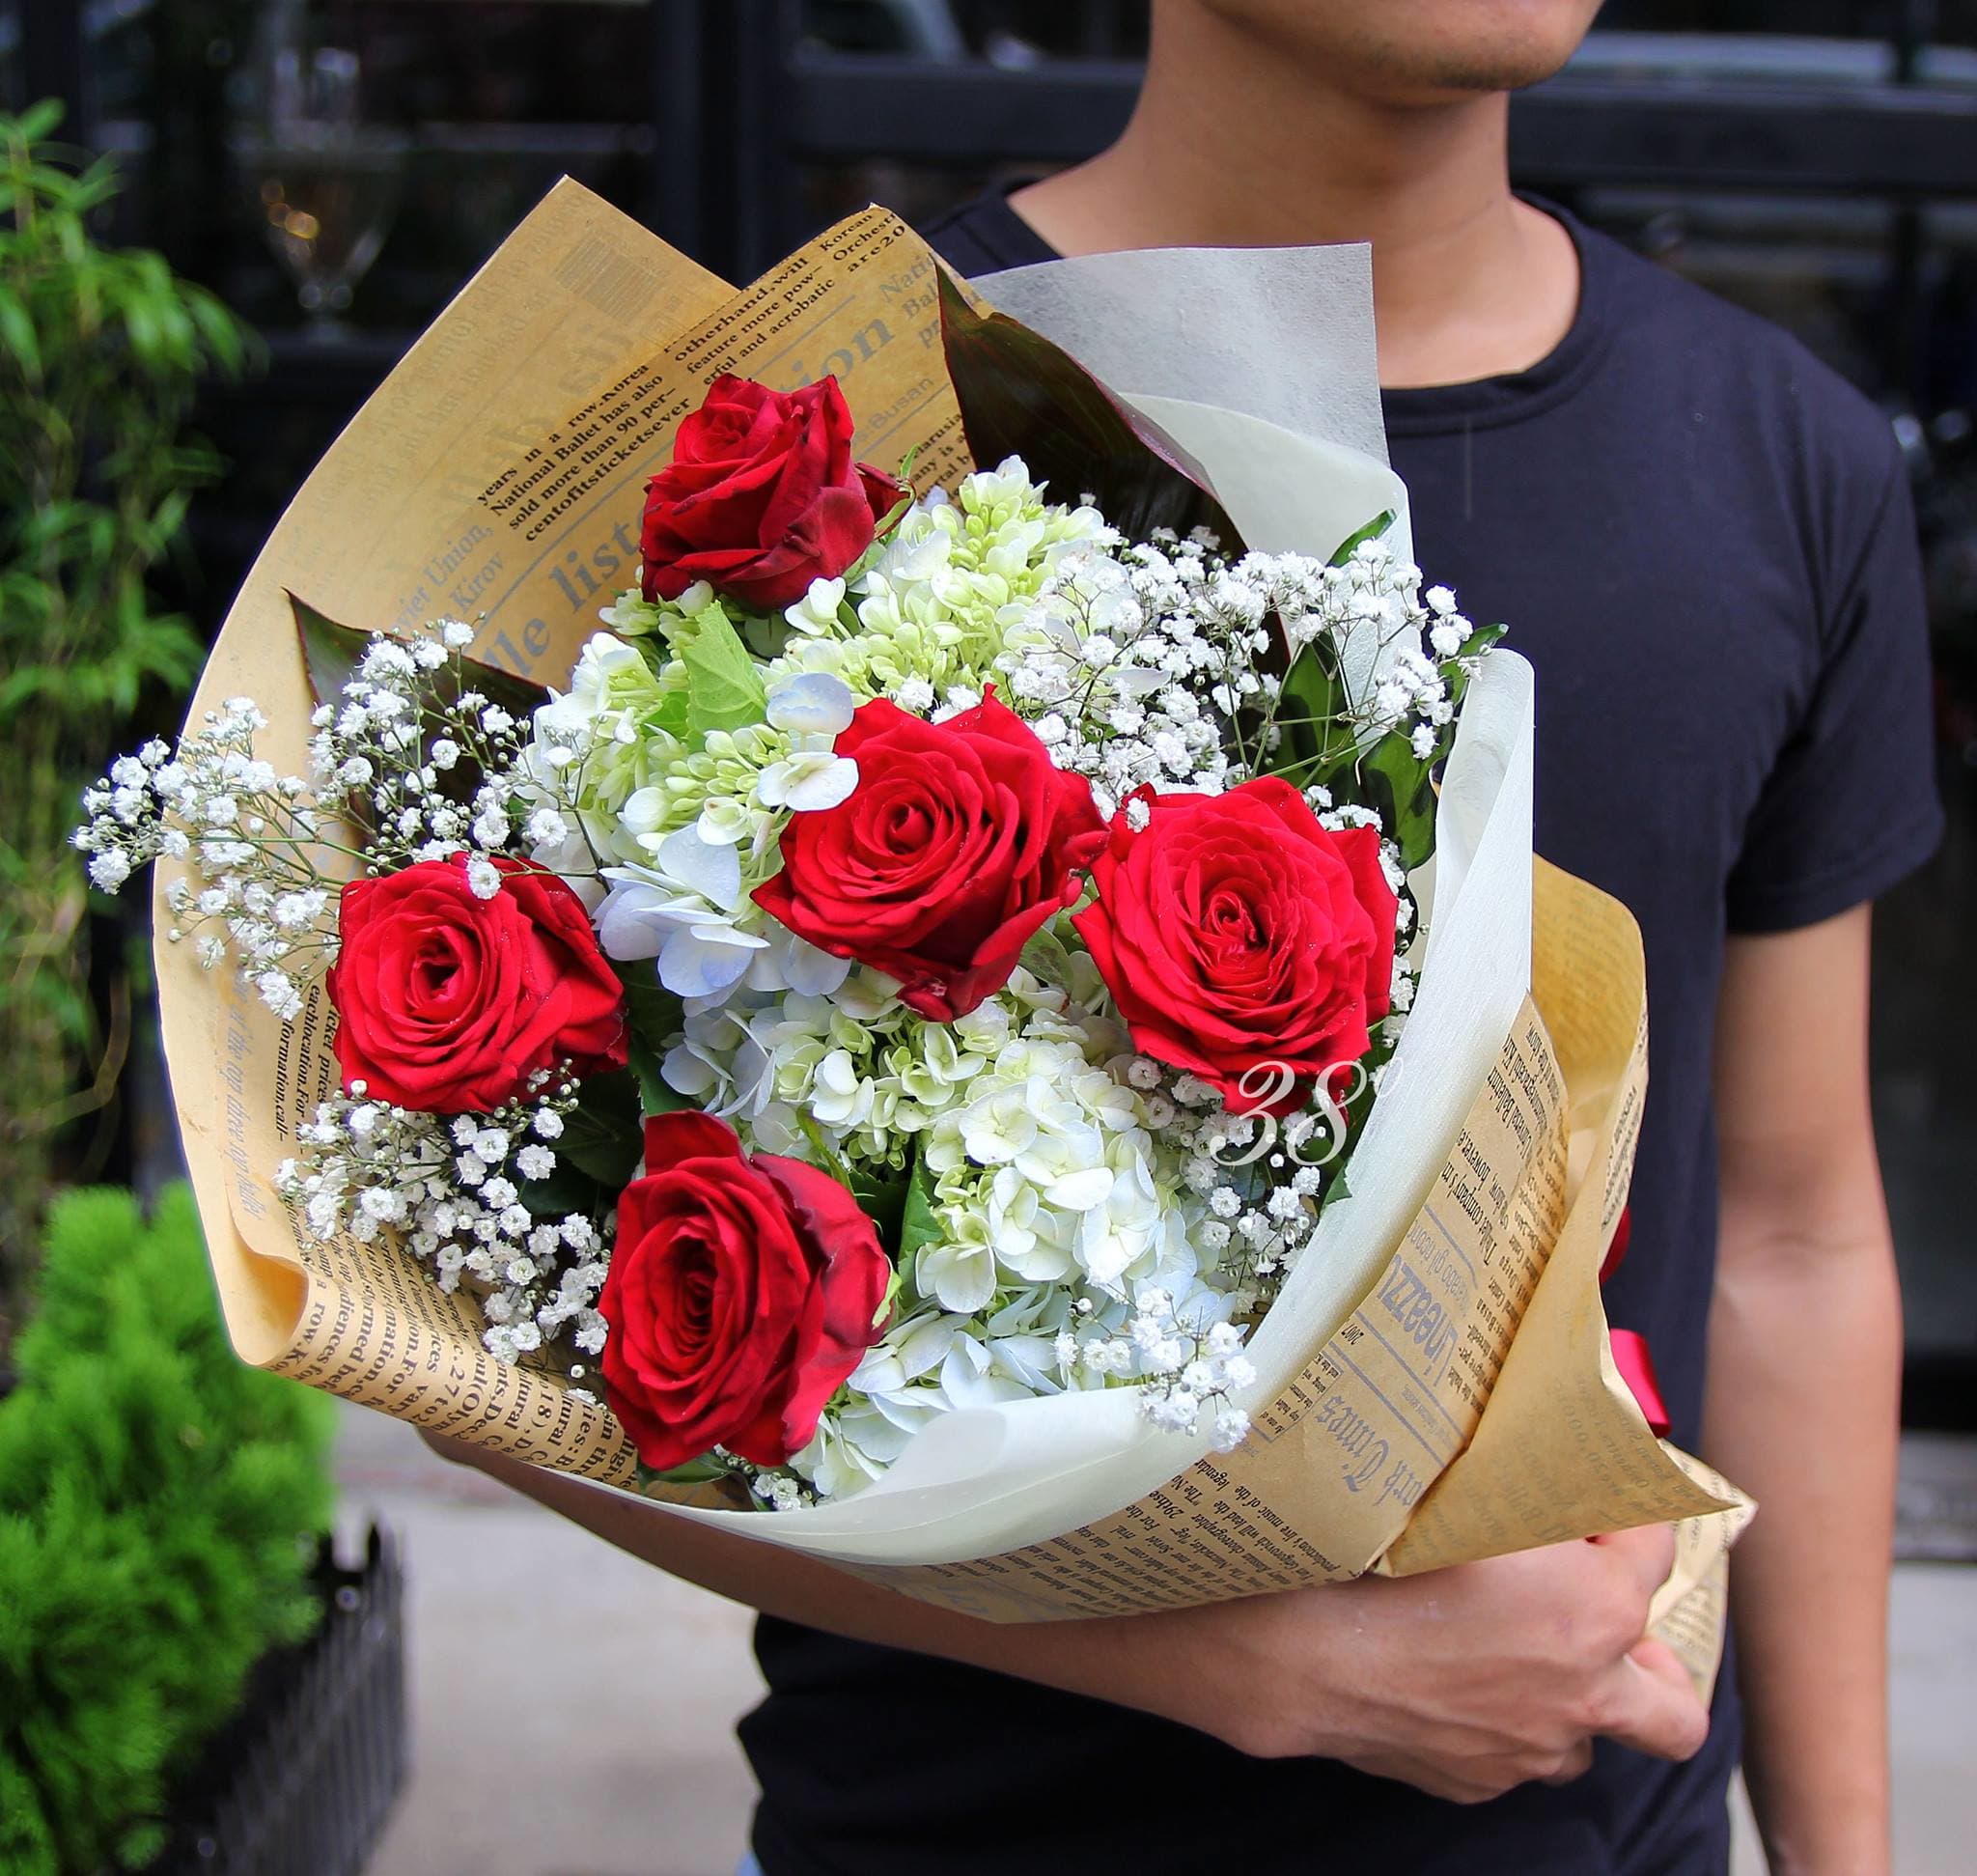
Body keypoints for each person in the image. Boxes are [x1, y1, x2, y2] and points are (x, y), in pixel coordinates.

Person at [437, 4, 1940, 1870]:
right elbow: (486, 1360)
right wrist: (1258, 1663)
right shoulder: (828, 443)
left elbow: (1795, 1239)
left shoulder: (1778, 459)